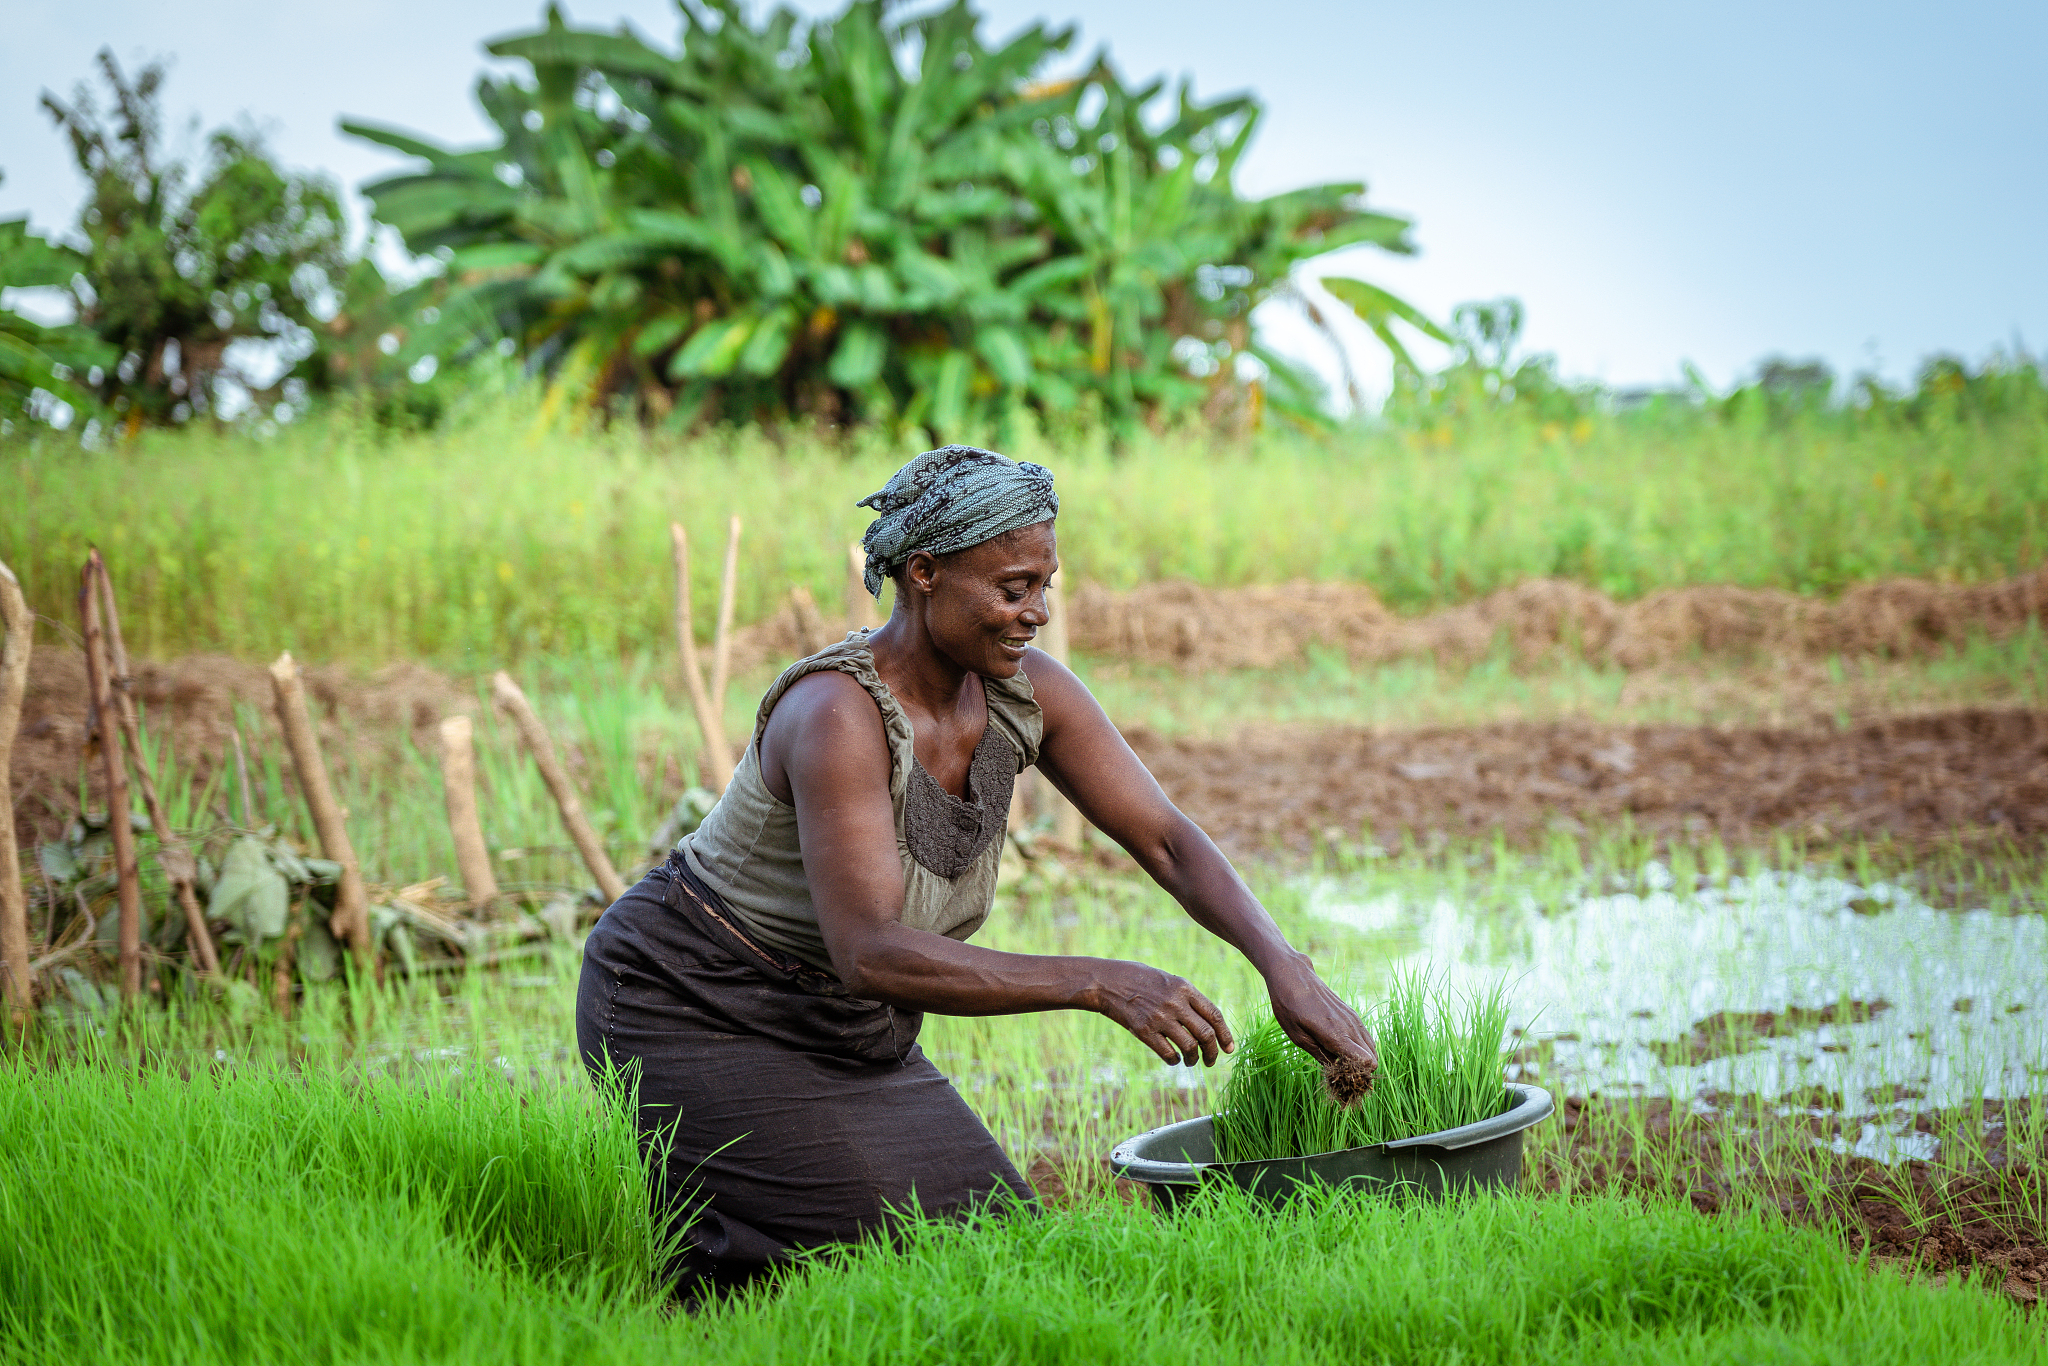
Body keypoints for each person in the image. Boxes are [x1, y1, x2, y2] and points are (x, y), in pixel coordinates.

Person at [576, 445, 1377, 1304]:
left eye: (1044, 586)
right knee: (906, 1270)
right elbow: (873, 953)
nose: (1035, 612)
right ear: (923, 572)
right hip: (691, 1001)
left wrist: (1284, 965)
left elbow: (1168, 840)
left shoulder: (1027, 693)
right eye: (1012, 588)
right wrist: (1100, 983)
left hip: (846, 1027)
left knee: (999, 1250)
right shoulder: (837, 714)